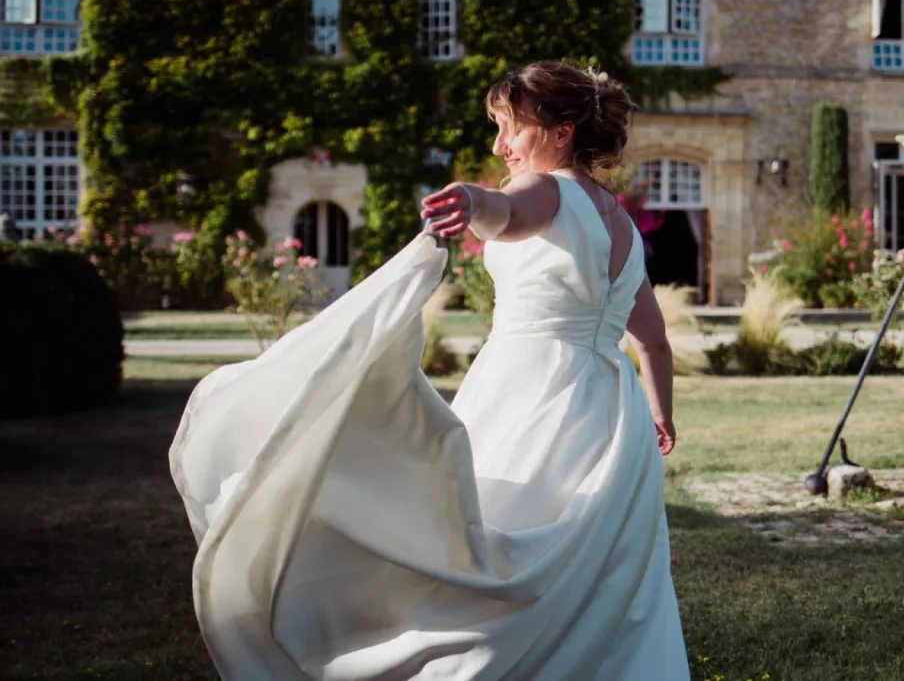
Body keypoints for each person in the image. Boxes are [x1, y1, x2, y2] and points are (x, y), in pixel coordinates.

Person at [169, 61, 689, 680]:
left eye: (511, 129)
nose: (500, 146)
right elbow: (653, 340)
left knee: (488, 551)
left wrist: (472, 199)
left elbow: (504, 210)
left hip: (533, 394)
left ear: (561, 132)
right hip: (613, 413)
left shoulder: (546, 190)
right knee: (603, 574)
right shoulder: (622, 222)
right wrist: (660, 412)